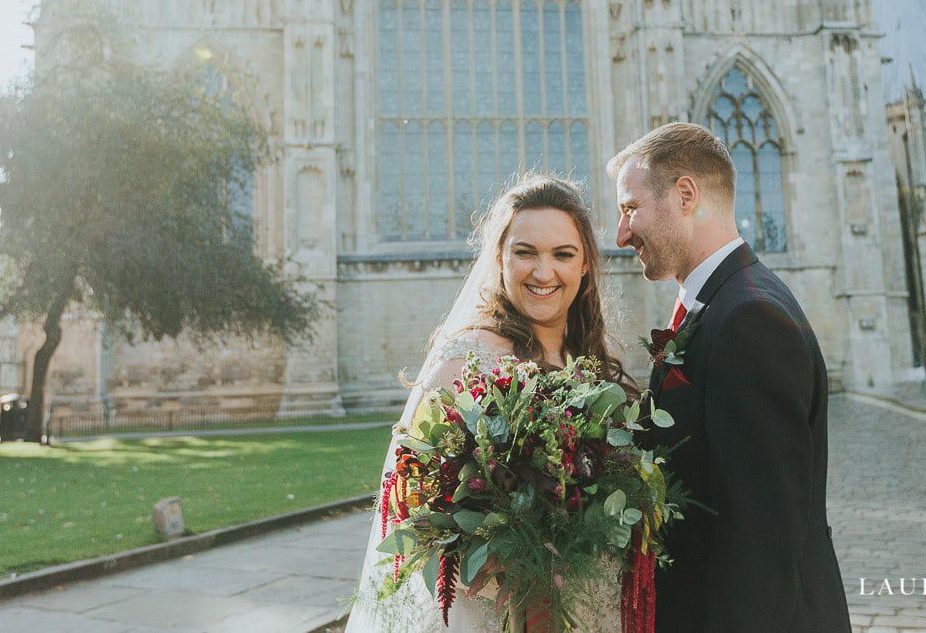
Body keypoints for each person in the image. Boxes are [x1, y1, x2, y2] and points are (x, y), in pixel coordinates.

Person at [346, 174, 633, 632]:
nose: (543, 272)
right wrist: (503, 555)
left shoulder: (591, 364)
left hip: (587, 605)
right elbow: (409, 502)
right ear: (498, 258)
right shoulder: (465, 356)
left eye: (563, 254)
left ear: (584, 266)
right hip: (490, 611)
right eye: (525, 252)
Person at [608, 122, 850, 632]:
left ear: (686, 195)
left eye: (630, 208)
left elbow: (762, 539)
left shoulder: (749, 320)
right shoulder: (719, 305)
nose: (621, 233)